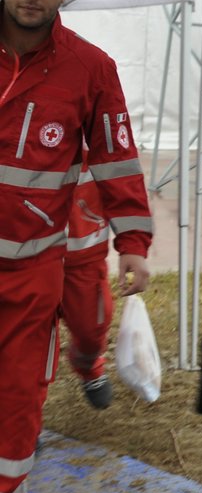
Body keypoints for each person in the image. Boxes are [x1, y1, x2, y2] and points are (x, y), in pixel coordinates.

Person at [0, 0, 151, 493]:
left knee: (17, 395)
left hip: (35, 266)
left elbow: (116, 158)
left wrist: (134, 244)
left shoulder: (90, 68)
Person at [61, 169, 117, 408]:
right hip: (28, 258)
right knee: (29, 345)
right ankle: (25, 424)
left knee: (92, 329)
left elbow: (124, 180)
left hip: (85, 257)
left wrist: (134, 243)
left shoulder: (100, 131)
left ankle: (88, 366)